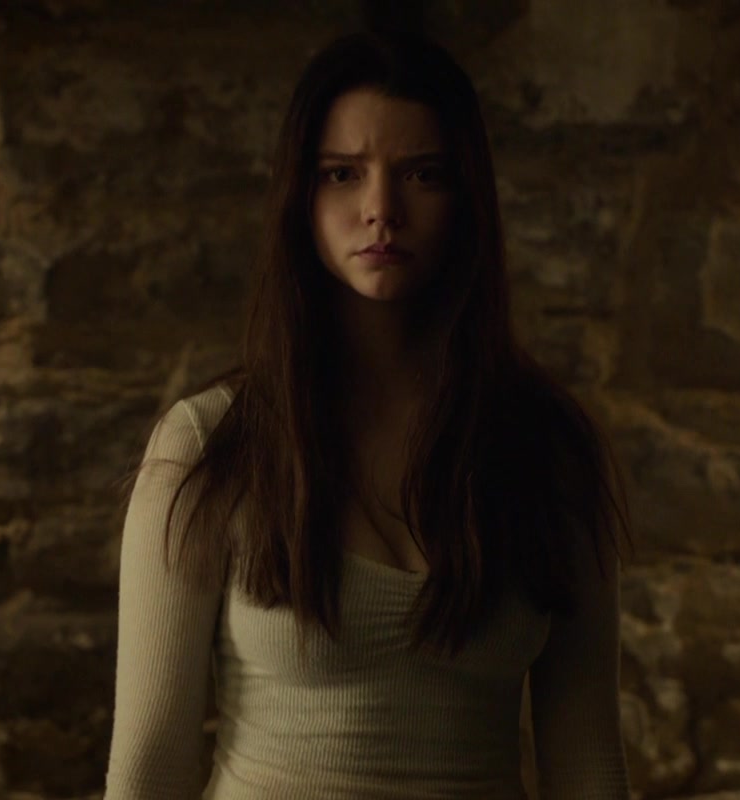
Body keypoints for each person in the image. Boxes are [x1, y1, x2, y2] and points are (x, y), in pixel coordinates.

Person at [103, 28, 634, 800]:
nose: (381, 210)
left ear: (467, 198)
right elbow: (148, 770)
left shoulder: (549, 451)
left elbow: (588, 766)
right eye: (343, 174)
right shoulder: (211, 444)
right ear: (301, 196)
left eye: (422, 174)